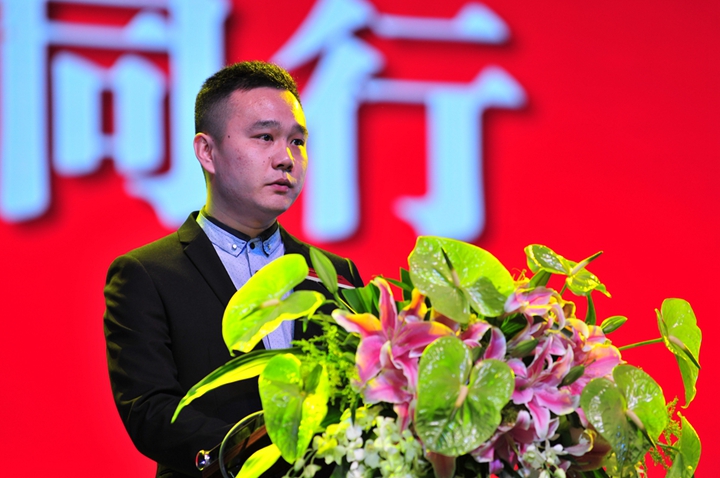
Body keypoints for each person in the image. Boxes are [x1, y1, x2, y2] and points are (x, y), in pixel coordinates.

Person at [104, 61, 363, 478]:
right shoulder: (148, 274)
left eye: (297, 141)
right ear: (207, 152)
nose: (286, 159)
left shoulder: (335, 274)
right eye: (265, 137)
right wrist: (265, 454)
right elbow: (150, 411)